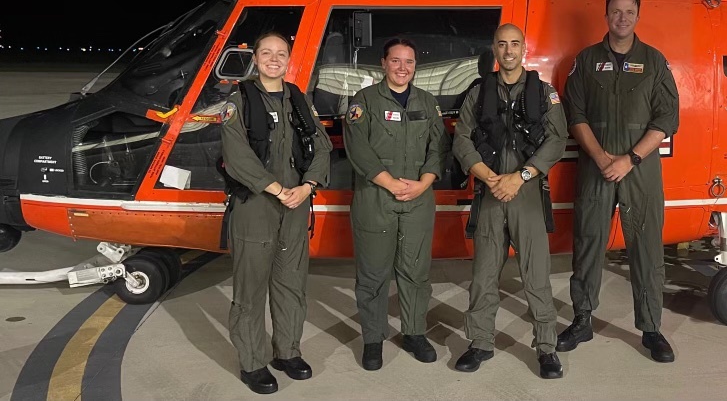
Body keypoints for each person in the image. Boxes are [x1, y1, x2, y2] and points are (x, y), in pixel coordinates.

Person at [556, 0, 680, 363]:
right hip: (596, 168)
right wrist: (600, 157)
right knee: (589, 241)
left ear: (637, 17)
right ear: (606, 15)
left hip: (639, 170)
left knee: (645, 247)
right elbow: (574, 113)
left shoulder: (654, 62)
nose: (622, 18)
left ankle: (651, 328)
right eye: (615, 12)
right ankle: (582, 319)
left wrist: (628, 159)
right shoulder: (587, 60)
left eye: (629, 12)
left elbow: (667, 119)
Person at [451, 23, 568, 379]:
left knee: (536, 275)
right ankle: (480, 342)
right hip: (490, 193)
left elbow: (557, 139)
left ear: (523, 49)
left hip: (527, 194)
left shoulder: (544, 93)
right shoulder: (478, 93)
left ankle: (546, 347)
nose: (508, 50)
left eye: (514, 44)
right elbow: (461, 138)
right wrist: (486, 175)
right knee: (484, 274)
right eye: (502, 44)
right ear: (494, 49)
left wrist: (521, 176)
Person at [220, 31, 334, 395]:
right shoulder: (239, 102)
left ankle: (287, 352)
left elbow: (322, 147)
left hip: (297, 205)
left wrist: (308, 186)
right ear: (255, 58)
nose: (273, 59)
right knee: (250, 291)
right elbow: (236, 156)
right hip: (257, 206)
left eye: (280, 53)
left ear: (289, 59)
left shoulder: (299, 100)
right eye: (266, 52)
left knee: (291, 285)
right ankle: (252, 362)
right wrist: (277, 189)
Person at [343, 37, 451, 371]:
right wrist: (390, 183)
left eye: (409, 62)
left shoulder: (427, 101)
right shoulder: (364, 101)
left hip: (418, 199)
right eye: (396, 61)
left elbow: (439, 147)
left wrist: (425, 183)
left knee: (416, 273)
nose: (403, 68)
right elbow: (358, 148)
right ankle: (373, 340)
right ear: (383, 63)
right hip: (376, 198)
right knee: (374, 275)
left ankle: (415, 333)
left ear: (415, 66)